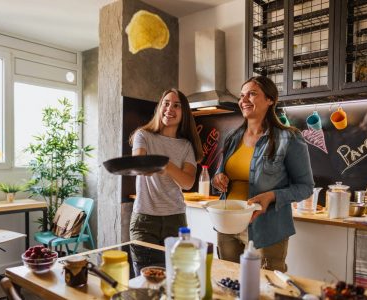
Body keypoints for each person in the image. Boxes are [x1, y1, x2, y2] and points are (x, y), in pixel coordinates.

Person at [212, 76, 314, 271]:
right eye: (241, 96)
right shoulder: (232, 138)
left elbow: (306, 187)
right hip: (227, 225)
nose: (244, 100)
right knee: (229, 284)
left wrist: (272, 196)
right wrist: (218, 177)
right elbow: (220, 173)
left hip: (267, 229)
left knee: (265, 287)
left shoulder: (289, 138)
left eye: (252, 94)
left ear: (270, 100)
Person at [129, 88, 203, 245]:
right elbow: (138, 166)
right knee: (145, 269)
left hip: (175, 219)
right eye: (166, 103)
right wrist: (148, 166)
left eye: (176, 105)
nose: (170, 109)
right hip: (144, 219)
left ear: (184, 113)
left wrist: (166, 165)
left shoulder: (186, 146)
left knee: (174, 270)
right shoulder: (143, 135)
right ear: (159, 107)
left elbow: (188, 182)